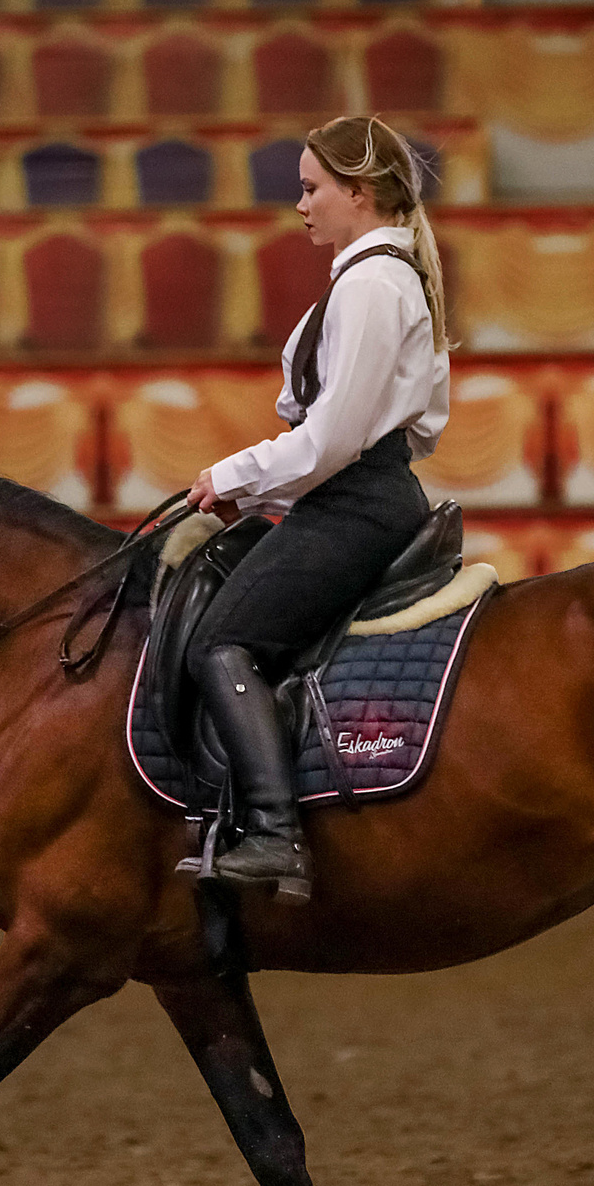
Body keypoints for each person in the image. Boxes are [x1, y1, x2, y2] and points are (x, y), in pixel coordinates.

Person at [182, 114, 453, 903]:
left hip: (356, 500)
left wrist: (236, 475)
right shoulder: (376, 275)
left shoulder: (371, 284)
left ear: (359, 193)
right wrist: (258, 488)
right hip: (357, 492)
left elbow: (331, 438)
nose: (299, 205)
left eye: (310, 189)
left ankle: (273, 830)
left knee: (220, 644)